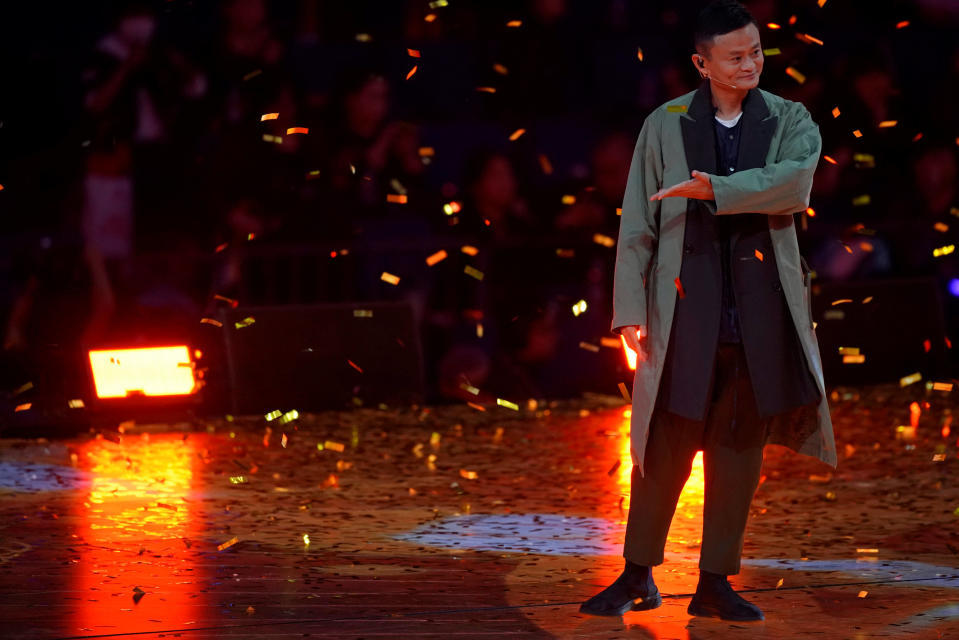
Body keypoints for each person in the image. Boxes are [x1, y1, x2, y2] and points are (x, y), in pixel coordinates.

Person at [580, 0, 837, 621]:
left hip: (758, 316)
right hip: (683, 315)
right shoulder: (664, 124)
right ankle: (638, 573)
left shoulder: (788, 117)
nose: (751, 64)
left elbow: (795, 183)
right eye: (736, 56)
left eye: (756, 51)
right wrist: (629, 312)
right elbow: (638, 224)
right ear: (703, 63)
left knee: (738, 451)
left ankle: (715, 582)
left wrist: (716, 190)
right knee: (662, 446)